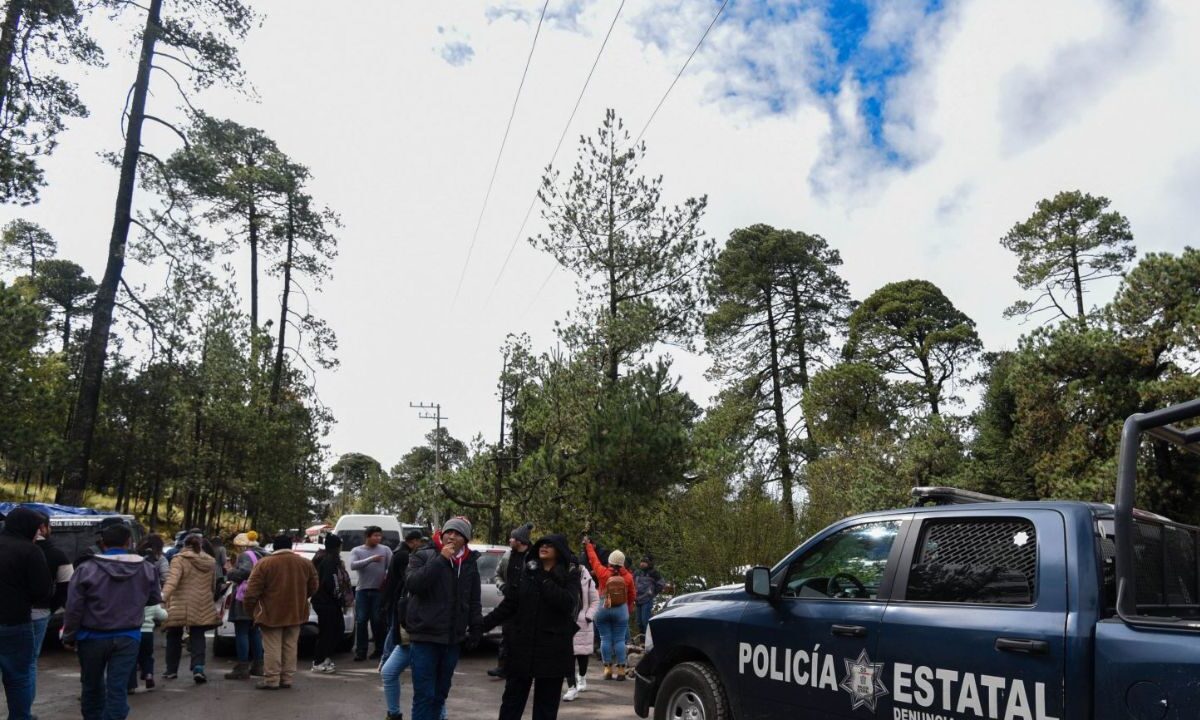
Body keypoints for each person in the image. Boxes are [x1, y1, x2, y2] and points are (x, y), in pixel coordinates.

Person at [62, 522, 160, 720]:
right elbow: (154, 598)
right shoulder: (147, 568)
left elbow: (74, 606)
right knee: (118, 689)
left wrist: (69, 635)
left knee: (91, 686)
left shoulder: (86, 568)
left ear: (102, 543)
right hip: (128, 636)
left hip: (91, 636)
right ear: (128, 542)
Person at [480, 534, 581, 720]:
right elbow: (509, 604)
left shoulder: (569, 575)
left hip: (552, 651)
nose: (544, 547)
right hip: (522, 648)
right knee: (511, 702)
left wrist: (543, 579)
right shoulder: (528, 572)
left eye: (550, 545)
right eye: (542, 544)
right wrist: (481, 625)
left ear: (560, 551)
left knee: (546, 707)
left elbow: (568, 603)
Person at [405, 516, 482, 720]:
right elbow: (413, 584)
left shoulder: (469, 563)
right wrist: (441, 559)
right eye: (449, 532)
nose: (452, 536)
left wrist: (476, 628)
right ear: (442, 534)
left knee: (440, 695)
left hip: (451, 640)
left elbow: (474, 599)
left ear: (465, 539)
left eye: (458, 533)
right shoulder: (423, 555)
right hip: (424, 638)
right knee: (424, 695)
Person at [243, 534, 319, 690]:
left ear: (274, 547)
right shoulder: (305, 563)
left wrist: (250, 610)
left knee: (272, 646)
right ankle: (287, 678)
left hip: (271, 612)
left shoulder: (265, 563)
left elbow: (251, 592)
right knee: (291, 645)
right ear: (290, 546)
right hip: (296, 611)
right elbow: (314, 586)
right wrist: (302, 597)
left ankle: (272, 679)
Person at [0, 507, 52, 720]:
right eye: (36, 528)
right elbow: (43, 591)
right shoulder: (30, 551)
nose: (39, 532)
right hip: (15, 622)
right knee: (18, 677)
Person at [162, 533, 221, 683]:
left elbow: (172, 582)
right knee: (197, 635)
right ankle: (198, 668)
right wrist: (210, 598)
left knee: (174, 635)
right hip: (202, 602)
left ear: (183, 545)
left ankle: (171, 670)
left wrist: (162, 598)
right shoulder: (210, 561)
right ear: (201, 546)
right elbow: (213, 585)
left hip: (179, 603)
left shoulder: (178, 559)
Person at [31, 511, 73, 695]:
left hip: (7, 614)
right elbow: (66, 589)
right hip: (39, 613)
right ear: (44, 528)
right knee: (29, 663)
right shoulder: (58, 555)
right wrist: (50, 608)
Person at [584, 537, 635, 680]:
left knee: (605, 639)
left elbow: (593, 559)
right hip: (621, 609)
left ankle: (607, 669)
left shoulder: (602, 573)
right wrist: (628, 608)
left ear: (610, 561)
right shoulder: (629, 578)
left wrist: (589, 546)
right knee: (620, 640)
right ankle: (620, 670)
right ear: (623, 563)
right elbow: (632, 595)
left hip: (603, 607)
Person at [488, 522, 533, 679]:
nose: (509, 540)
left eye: (512, 538)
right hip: (510, 602)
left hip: (527, 605)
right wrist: (503, 586)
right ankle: (503, 667)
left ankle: (524, 667)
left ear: (520, 541)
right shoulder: (508, 556)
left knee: (524, 637)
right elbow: (497, 574)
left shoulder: (533, 557)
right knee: (506, 635)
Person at [223, 533, 266, 679]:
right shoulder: (264, 554)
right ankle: (258, 665)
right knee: (254, 632)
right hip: (258, 597)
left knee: (242, 631)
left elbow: (245, 572)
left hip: (244, 599)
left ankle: (242, 667)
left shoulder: (246, 555)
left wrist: (230, 572)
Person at [380, 529, 425, 663]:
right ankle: (387, 657)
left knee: (394, 627)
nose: (420, 545)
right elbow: (406, 578)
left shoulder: (399, 552)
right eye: (419, 542)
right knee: (395, 628)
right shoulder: (404, 555)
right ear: (413, 541)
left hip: (393, 595)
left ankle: (387, 657)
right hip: (397, 596)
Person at [350, 524, 393, 660]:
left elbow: (391, 567)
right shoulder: (357, 550)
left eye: (380, 535)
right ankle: (361, 651)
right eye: (375, 535)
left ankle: (379, 650)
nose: (378, 538)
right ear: (367, 536)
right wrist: (371, 559)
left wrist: (387, 579)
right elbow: (353, 565)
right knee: (362, 621)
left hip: (379, 591)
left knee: (377, 621)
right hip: (362, 590)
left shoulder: (385, 550)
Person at [311, 533, 349, 673]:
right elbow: (331, 582)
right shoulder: (329, 561)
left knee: (336, 630)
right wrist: (339, 596)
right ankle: (318, 661)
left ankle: (324, 657)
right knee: (329, 632)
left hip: (324, 601)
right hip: (326, 601)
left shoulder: (323, 558)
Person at [562, 562, 600, 702]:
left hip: (583, 622)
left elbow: (595, 601)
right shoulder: (562, 575)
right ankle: (571, 688)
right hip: (566, 621)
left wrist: (588, 616)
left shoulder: (587, 579)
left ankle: (582, 677)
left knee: (582, 656)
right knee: (568, 657)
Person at [127, 601, 166, 693]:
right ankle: (148, 674)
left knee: (131, 659)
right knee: (147, 656)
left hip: (133, 632)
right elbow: (162, 616)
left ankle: (130, 685)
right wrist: (166, 610)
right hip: (147, 632)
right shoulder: (152, 601)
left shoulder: (132, 598)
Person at [634, 555, 666, 638]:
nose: (642, 564)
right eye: (641, 562)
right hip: (637, 600)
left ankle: (649, 640)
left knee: (646, 621)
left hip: (647, 600)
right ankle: (642, 640)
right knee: (639, 622)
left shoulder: (654, 573)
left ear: (648, 563)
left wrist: (653, 592)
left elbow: (661, 584)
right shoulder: (637, 572)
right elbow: (631, 583)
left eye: (644, 562)